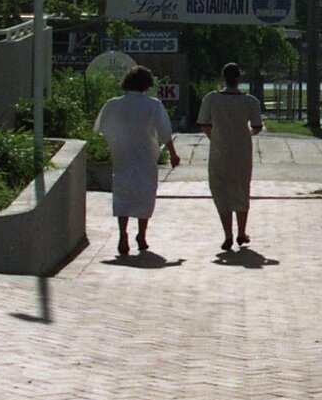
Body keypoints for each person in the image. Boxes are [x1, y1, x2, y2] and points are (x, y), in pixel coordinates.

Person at [93, 66, 180, 256]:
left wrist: (115, 140)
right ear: (147, 84)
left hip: (122, 154)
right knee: (145, 193)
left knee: (122, 192)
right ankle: (141, 235)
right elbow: (164, 131)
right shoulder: (153, 105)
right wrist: (173, 153)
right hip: (145, 154)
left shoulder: (113, 104)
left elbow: (100, 128)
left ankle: (123, 233)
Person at [197, 62, 264, 252]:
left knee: (221, 189)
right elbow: (257, 127)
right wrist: (246, 135)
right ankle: (241, 232)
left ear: (223, 77)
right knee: (242, 188)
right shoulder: (251, 101)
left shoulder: (211, 99)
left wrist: (214, 137)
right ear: (239, 78)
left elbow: (204, 124)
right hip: (242, 150)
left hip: (219, 149)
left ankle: (227, 234)